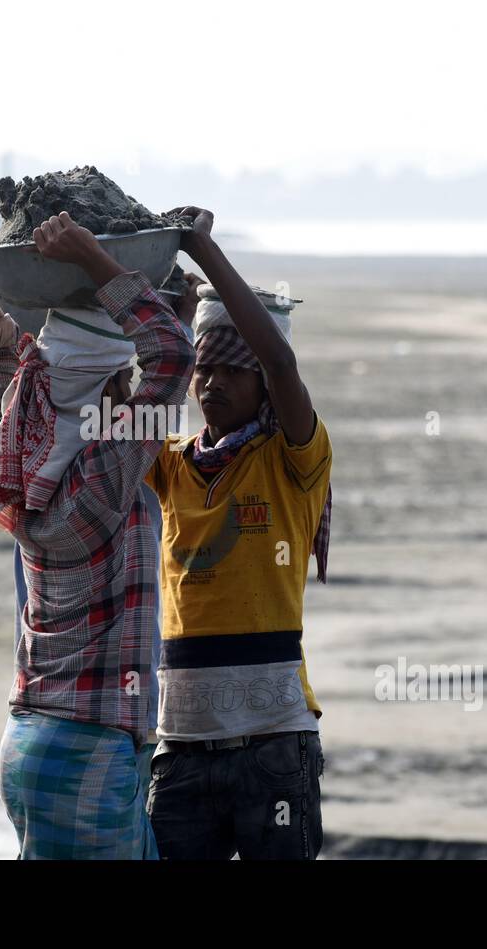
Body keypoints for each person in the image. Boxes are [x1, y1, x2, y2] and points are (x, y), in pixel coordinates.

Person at [0, 212, 195, 858]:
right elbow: (172, 358)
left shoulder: (26, 445)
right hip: (89, 751)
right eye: (122, 384)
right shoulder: (101, 476)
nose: (132, 392)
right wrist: (95, 263)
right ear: (107, 391)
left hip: (28, 743)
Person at [143, 206, 334, 860]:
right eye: (205, 370)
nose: (213, 383)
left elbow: (282, 361)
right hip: (181, 751)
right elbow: (113, 394)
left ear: (264, 387)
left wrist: (204, 252)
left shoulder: (293, 461)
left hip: (274, 747)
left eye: (233, 371)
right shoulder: (170, 463)